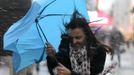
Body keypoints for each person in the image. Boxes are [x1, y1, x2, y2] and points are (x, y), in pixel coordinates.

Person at [46, 11, 112, 75]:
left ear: (87, 35)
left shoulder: (99, 51)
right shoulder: (65, 46)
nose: (74, 41)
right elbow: (55, 71)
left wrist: (70, 74)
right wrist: (52, 58)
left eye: (78, 38)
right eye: (71, 38)